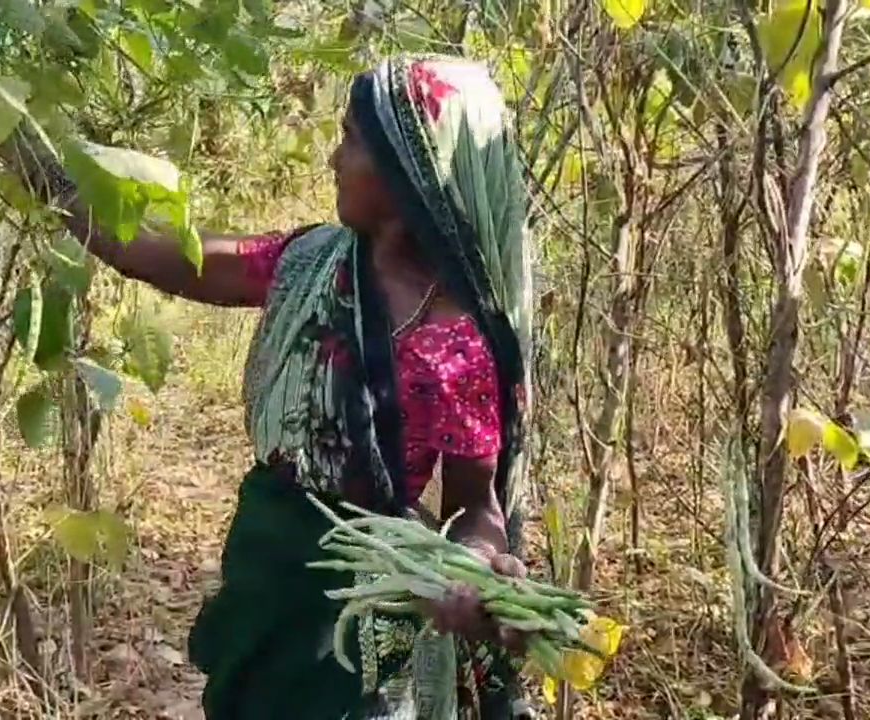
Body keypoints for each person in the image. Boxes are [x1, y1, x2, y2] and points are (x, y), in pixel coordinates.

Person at [36, 54, 534, 719]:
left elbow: (476, 508)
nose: (333, 157)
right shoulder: (309, 262)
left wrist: (471, 569)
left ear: (406, 169)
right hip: (269, 565)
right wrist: (43, 175)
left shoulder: (459, 344)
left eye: (350, 139)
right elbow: (165, 258)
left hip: (372, 596)